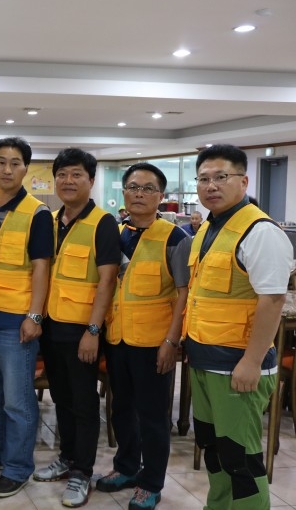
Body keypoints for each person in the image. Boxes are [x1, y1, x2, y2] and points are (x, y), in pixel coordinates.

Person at [184, 144, 294, 509]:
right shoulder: (208, 229)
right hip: (204, 360)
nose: (211, 185)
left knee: (241, 460)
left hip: (237, 366)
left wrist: (251, 361)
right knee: (214, 451)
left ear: (243, 181)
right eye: (204, 178)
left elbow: (273, 300)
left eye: (221, 177)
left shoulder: (260, 231)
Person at [96, 163, 191, 510]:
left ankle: (151, 482)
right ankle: (125, 467)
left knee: (152, 416)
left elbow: (184, 294)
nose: (139, 193)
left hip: (155, 345)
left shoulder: (176, 238)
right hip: (118, 339)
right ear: (123, 193)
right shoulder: (116, 233)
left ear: (161, 197)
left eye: (148, 188)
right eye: (133, 187)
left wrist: (171, 342)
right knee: (121, 409)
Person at [33, 148, 120, 508]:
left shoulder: (103, 223)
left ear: (91, 180)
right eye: (62, 175)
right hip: (53, 327)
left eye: (76, 175)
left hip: (83, 330)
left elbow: (107, 280)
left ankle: (83, 472)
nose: (68, 181)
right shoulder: (52, 220)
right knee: (63, 400)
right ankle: (68, 459)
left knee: (84, 404)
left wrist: (93, 330)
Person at [0, 137, 53, 498]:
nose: (7, 169)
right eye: (1, 162)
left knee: (16, 400)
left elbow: (42, 269)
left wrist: (34, 316)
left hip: (16, 319)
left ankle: (18, 466)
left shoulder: (37, 213)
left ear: (26, 168)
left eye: (16, 163)